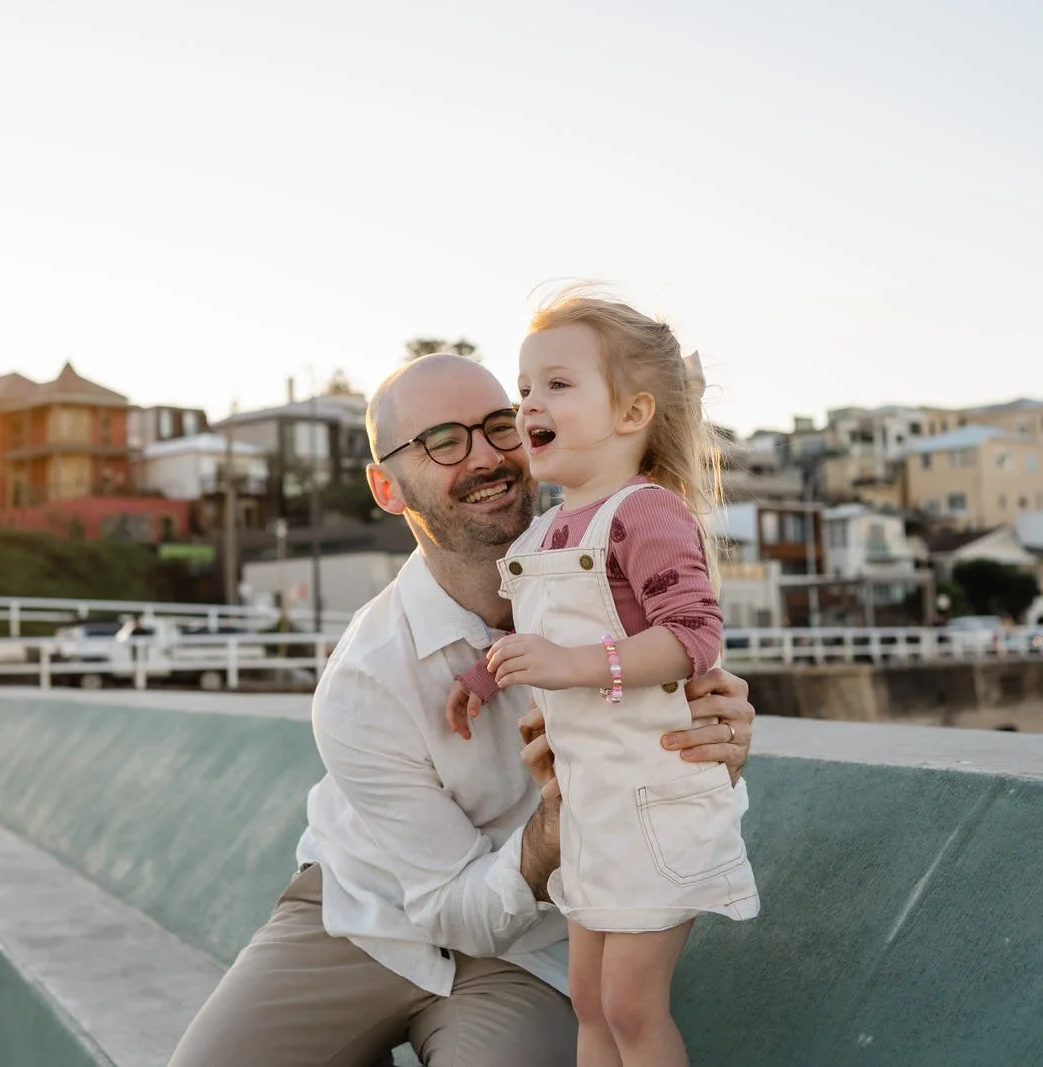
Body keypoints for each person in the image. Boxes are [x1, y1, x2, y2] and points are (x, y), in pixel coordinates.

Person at [167, 350, 757, 1067]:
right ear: (387, 487)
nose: (486, 456)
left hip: (541, 942)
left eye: (499, 425)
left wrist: (715, 748)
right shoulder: (362, 681)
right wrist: (551, 827)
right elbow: (451, 902)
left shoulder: (626, 574)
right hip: (361, 912)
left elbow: (681, 726)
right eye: (443, 441)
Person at [446, 294, 757, 1067]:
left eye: (556, 384)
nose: (528, 405)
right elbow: (537, 633)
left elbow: (694, 634)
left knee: (629, 1002)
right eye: (523, 390)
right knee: (587, 997)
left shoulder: (645, 512)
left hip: (655, 800)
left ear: (633, 411)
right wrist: (485, 679)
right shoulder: (549, 530)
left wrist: (575, 666)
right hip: (595, 808)